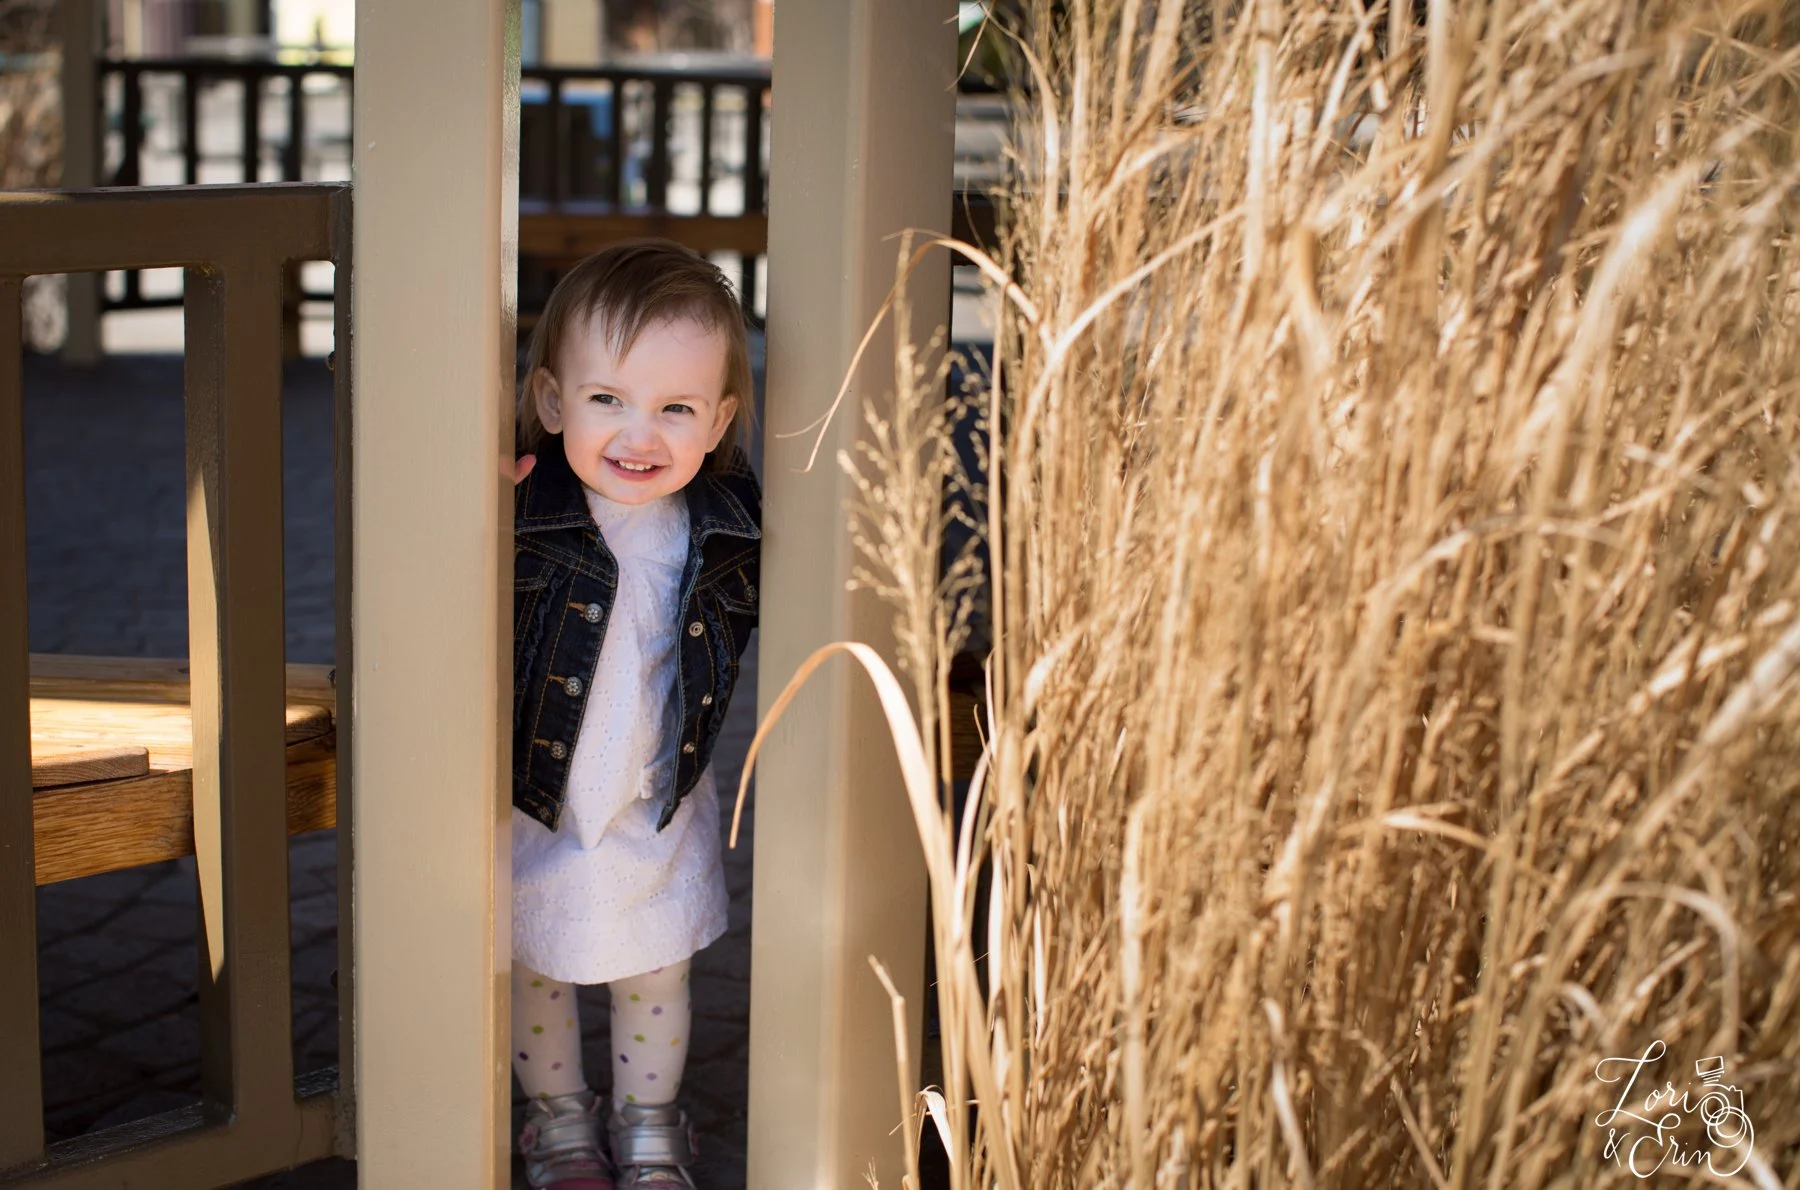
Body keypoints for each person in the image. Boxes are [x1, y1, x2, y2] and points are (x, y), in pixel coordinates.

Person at [508, 239, 761, 1189]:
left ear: (719, 419)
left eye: (676, 409)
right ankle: (561, 1126)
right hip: (537, 798)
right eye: (607, 399)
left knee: (655, 973)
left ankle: (649, 1124)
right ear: (551, 402)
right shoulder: (525, 516)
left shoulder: (726, 525)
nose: (637, 435)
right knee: (536, 965)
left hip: (656, 797)